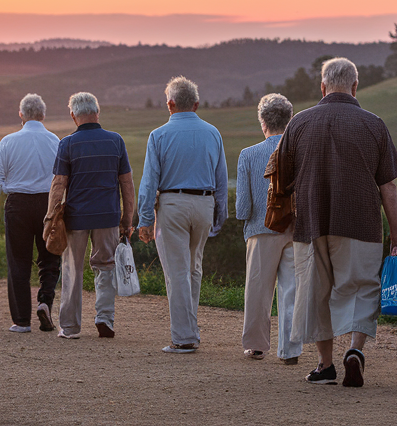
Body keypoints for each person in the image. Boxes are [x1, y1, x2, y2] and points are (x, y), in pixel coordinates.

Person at [273, 57, 397, 387]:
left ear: (322, 86)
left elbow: (280, 178)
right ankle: (355, 351)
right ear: (355, 86)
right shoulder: (374, 124)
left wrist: (285, 220)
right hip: (360, 222)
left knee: (315, 291)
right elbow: (388, 185)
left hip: (311, 222)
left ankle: (324, 365)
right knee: (360, 287)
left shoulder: (298, 123)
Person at [136, 76, 229, 354]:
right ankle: (190, 330)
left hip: (172, 204)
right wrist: (219, 214)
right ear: (197, 104)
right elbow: (221, 179)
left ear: (170, 104)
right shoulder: (213, 133)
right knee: (193, 269)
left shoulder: (159, 135)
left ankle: (185, 337)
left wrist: (144, 218)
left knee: (177, 272)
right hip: (204, 204)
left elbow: (149, 181)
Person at [51, 92, 135, 340]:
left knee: (72, 270)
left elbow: (58, 184)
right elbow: (127, 184)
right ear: (97, 113)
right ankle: (104, 318)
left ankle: (70, 327)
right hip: (107, 216)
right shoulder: (116, 141)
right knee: (106, 267)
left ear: (73, 115)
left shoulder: (67, 144)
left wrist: (51, 219)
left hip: (76, 218)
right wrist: (127, 220)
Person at [0, 94, 62, 333]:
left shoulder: (8, 141)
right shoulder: (54, 141)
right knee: (50, 258)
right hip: (48, 204)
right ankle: (45, 302)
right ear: (43, 115)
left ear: (21, 115)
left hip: (17, 204)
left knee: (18, 263)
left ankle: (21, 320)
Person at [235, 93, 302, 364]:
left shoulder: (248, 155)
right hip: (294, 229)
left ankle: (256, 346)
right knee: (291, 291)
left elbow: (242, 207)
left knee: (258, 291)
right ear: (290, 119)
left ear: (263, 122)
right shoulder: (300, 153)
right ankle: (290, 350)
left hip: (260, 229)